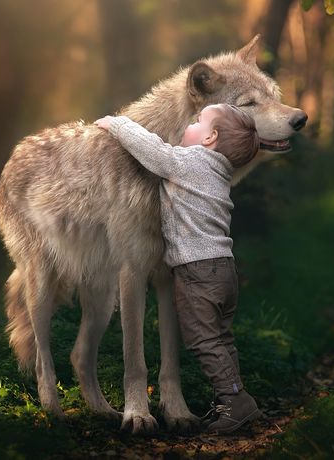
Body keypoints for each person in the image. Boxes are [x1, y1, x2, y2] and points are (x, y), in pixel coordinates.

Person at [95, 104, 261, 434]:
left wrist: (116, 123)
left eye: (198, 121)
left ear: (210, 138)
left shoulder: (189, 162)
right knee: (222, 340)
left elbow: (154, 152)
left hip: (197, 271)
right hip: (224, 269)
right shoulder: (219, 172)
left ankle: (237, 402)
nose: (190, 122)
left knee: (202, 341)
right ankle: (231, 399)